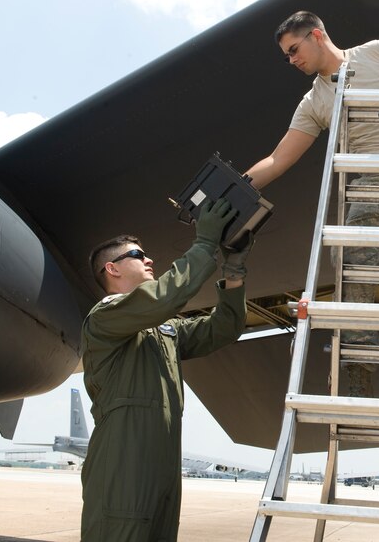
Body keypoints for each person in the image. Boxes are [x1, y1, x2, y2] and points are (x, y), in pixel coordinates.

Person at [244, 11, 379, 397]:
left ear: (316, 35)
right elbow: (279, 159)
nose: (292, 60)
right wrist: (235, 189)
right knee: (352, 275)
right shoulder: (314, 102)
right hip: (369, 187)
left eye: (294, 50)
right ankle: (357, 375)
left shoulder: (377, 52)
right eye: (286, 56)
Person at [80, 198, 252, 541]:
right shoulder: (105, 318)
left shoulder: (163, 328)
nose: (148, 259)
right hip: (122, 465)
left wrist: (233, 273)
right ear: (112, 269)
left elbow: (223, 328)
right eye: (136, 255)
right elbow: (165, 298)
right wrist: (204, 243)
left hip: (163, 467)